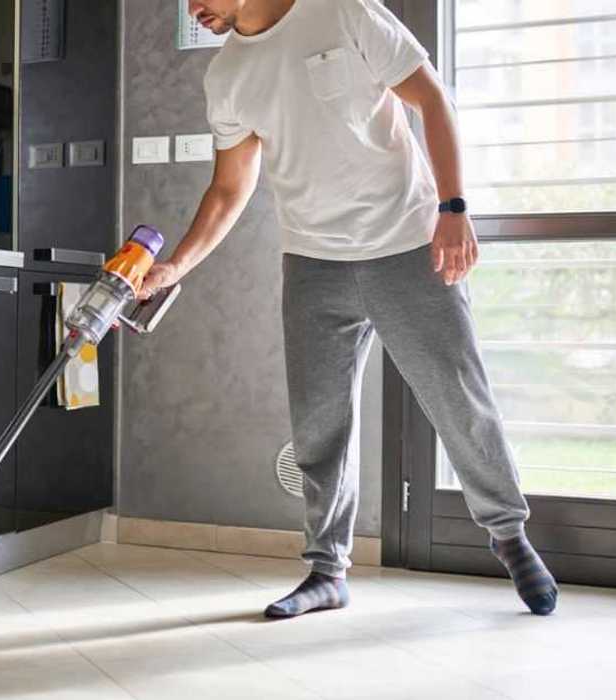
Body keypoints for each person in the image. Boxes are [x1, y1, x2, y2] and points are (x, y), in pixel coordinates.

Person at [140, 0, 558, 618]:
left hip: (407, 244)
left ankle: (509, 535)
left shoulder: (341, 11)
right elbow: (231, 187)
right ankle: (326, 570)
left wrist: (454, 208)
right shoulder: (225, 75)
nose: (192, 8)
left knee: (458, 398)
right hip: (311, 261)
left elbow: (432, 99)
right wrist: (175, 266)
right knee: (319, 425)